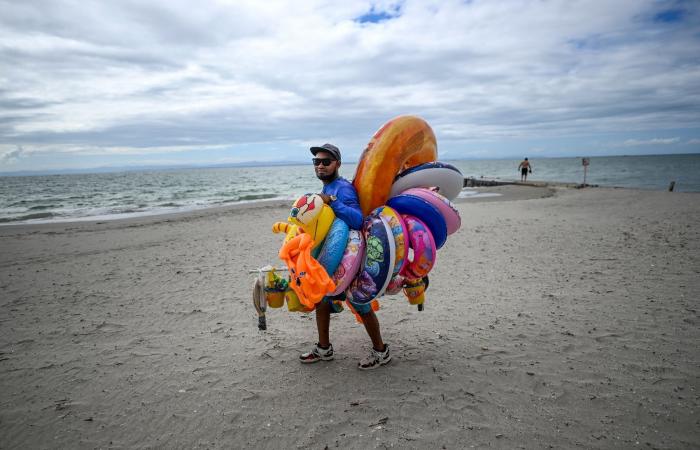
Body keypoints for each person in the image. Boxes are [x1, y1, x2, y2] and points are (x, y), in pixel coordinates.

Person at [298, 143, 392, 370]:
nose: (320, 165)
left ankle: (381, 351)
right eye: (316, 162)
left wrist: (334, 203)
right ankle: (324, 348)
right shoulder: (327, 189)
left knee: (361, 304)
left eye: (326, 162)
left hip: (350, 259)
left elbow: (357, 219)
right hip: (332, 256)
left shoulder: (343, 189)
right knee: (322, 300)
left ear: (337, 164)